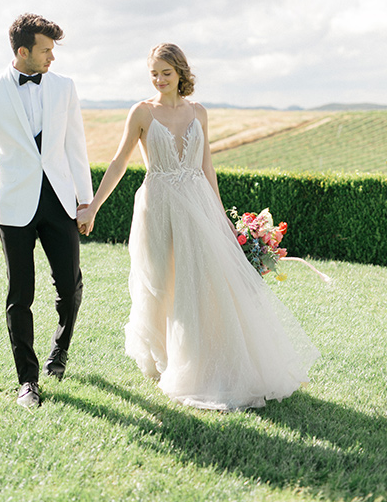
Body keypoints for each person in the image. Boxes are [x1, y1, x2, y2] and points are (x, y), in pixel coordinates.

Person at [77, 43, 319, 411]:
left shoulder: (198, 112)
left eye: (166, 73)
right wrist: (93, 206)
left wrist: (221, 217)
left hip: (197, 203)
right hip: (156, 206)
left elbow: (207, 166)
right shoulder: (141, 112)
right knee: (160, 282)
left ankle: (202, 360)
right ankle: (164, 356)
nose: (159, 80)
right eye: (153, 74)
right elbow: (119, 161)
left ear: (181, 73)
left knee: (200, 283)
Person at [0, 13, 93, 408]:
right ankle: (28, 380)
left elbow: (76, 145)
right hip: (14, 207)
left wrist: (85, 201)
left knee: (69, 288)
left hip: (60, 201)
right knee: (20, 294)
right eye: (45, 50)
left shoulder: (65, 87)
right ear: (22, 52)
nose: (52, 57)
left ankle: (60, 350)